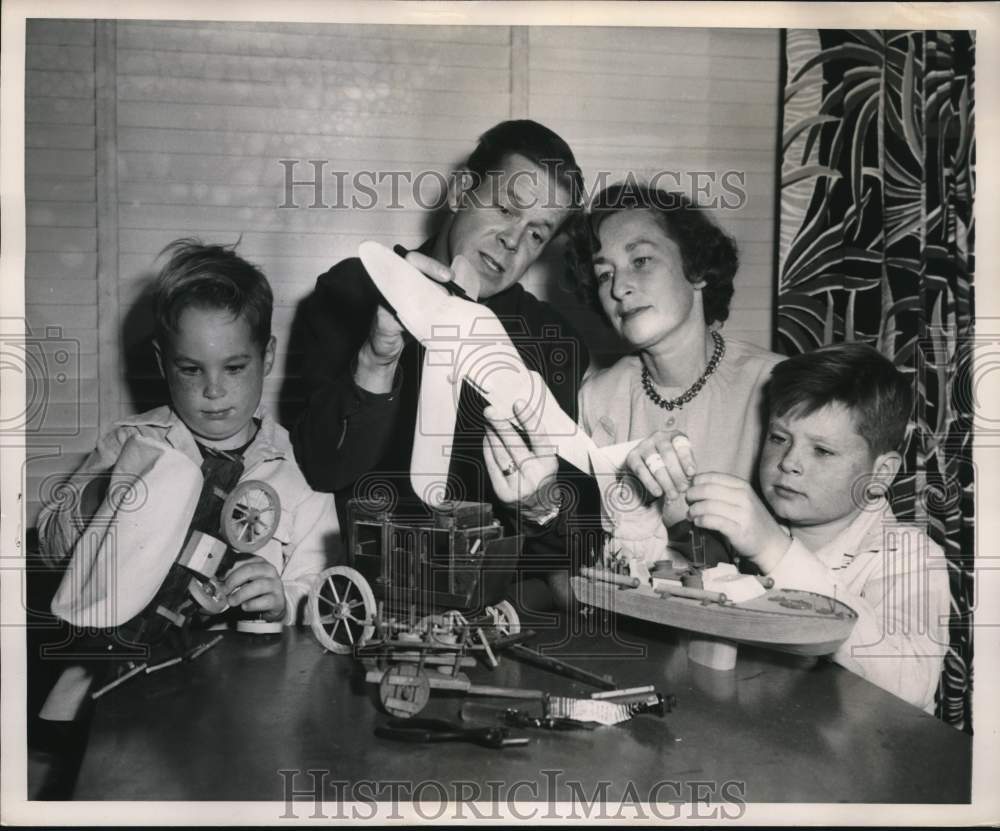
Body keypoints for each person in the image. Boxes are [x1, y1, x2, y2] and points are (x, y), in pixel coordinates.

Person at [290, 120, 590, 588]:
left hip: (487, 604)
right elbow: (320, 470)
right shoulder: (352, 290)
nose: (513, 240)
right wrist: (376, 358)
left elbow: (565, 549)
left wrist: (540, 507)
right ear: (460, 191)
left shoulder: (553, 343)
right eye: (506, 208)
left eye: (537, 234)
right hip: (365, 593)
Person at [491, 183, 782, 572]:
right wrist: (537, 505)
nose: (619, 288)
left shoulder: (777, 386)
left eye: (641, 260)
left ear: (696, 268)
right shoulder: (594, 398)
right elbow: (576, 560)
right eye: (604, 274)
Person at [685, 343, 949, 712]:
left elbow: (911, 686)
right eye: (779, 438)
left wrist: (776, 552)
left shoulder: (910, 556)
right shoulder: (740, 536)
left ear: (880, 474)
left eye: (822, 451)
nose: (788, 462)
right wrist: (643, 514)